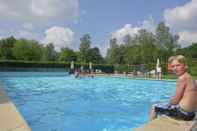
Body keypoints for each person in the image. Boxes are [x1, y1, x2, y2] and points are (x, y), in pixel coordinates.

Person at [150, 55, 197, 121]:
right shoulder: (189, 77)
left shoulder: (182, 78)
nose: (175, 68)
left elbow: (175, 101)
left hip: (183, 114)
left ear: (185, 65)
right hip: (191, 114)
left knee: (154, 107)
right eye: (173, 66)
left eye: (178, 65)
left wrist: (168, 103)